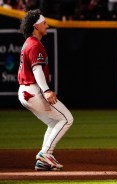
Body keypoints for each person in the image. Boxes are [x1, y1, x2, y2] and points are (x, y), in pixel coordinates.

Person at [18, 9, 74, 171]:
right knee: (67, 118)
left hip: (25, 92)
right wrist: (47, 90)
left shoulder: (28, 42)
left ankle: (43, 160)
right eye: (44, 23)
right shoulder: (35, 45)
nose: (47, 25)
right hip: (33, 90)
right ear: (36, 26)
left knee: (54, 121)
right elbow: (37, 71)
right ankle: (46, 153)